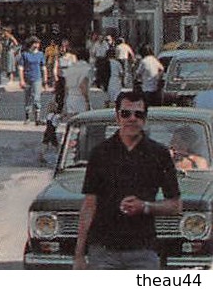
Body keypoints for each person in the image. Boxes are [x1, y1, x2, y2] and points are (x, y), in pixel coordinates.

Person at [73, 90, 181, 269]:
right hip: (103, 250)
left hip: (143, 250)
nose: (132, 119)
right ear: (117, 117)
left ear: (145, 119)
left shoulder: (159, 154)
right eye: (126, 113)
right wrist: (78, 255)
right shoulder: (100, 153)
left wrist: (145, 207)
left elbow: (176, 205)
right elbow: (89, 204)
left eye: (138, 114)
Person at [19, 37, 48, 124]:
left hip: (37, 78)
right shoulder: (25, 54)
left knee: (36, 97)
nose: (37, 45)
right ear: (31, 44)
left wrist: (45, 80)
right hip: (27, 78)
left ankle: (37, 118)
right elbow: (21, 68)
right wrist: (21, 80)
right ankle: (27, 117)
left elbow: (44, 68)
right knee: (28, 97)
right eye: (35, 43)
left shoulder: (40, 54)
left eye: (38, 43)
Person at [62, 47, 94, 116]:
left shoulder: (70, 67)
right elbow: (83, 85)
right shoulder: (87, 68)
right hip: (80, 99)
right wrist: (87, 101)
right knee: (83, 123)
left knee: (72, 123)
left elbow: (66, 86)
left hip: (70, 98)